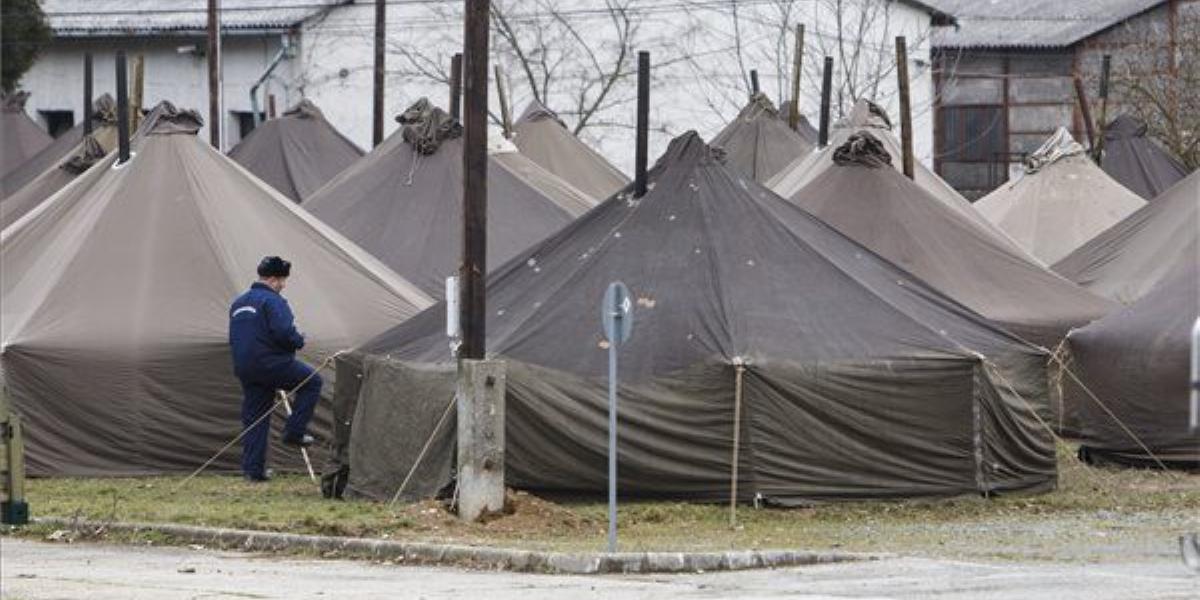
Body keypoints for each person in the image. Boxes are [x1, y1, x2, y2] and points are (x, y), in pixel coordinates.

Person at [228, 256, 321, 482]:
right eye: (281, 280)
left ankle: (254, 471)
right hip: (271, 363)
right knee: (312, 382)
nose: (283, 285)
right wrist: (299, 340)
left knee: (255, 418)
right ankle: (294, 432)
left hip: (245, 367)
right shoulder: (273, 301)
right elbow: (283, 332)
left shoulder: (238, 303)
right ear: (271, 279)